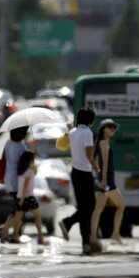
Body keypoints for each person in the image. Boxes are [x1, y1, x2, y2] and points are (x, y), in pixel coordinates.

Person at [58, 107, 102, 255]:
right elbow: (88, 154)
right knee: (88, 208)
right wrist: (97, 169)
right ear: (90, 120)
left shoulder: (73, 132)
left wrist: (71, 130)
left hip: (75, 172)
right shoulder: (87, 133)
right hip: (84, 173)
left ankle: (85, 244)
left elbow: (71, 143)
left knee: (85, 209)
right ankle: (68, 222)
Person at [0, 151, 48, 245]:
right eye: (33, 160)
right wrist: (23, 199)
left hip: (20, 196)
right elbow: (26, 185)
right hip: (28, 197)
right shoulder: (30, 172)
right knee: (38, 216)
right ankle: (40, 237)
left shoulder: (21, 171)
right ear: (30, 161)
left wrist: (20, 198)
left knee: (17, 218)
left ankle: (3, 230)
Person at [90, 119, 126, 245]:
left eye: (114, 128)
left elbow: (95, 160)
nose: (112, 130)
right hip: (107, 180)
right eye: (110, 127)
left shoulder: (101, 142)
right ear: (104, 129)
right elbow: (104, 163)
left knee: (98, 209)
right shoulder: (104, 143)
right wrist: (104, 179)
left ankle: (96, 236)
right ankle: (113, 234)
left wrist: (99, 175)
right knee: (120, 205)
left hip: (104, 179)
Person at [0, 126, 30, 243]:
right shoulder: (21, 147)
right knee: (21, 209)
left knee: (16, 208)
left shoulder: (8, 143)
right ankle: (4, 229)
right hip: (17, 180)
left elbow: (5, 157)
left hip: (8, 177)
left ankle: (15, 234)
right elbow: (25, 163)